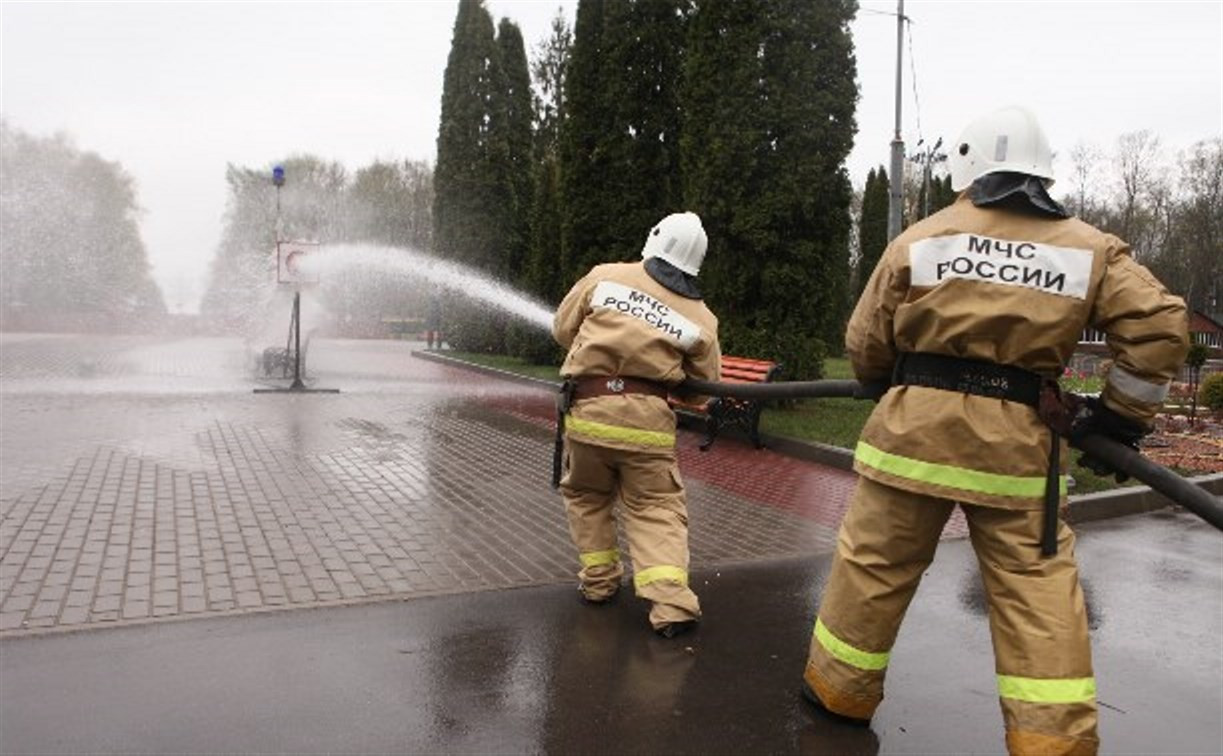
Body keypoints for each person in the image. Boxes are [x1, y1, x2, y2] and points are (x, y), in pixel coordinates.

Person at [800, 106, 1188, 755]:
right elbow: (1161, 329)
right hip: (1015, 452)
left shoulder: (924, 236)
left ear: (966, 166)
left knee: (872, 570)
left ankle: (840, 692)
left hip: (910, 441)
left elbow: (865, 339)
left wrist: (886, 374)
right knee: (1036, 594)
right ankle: (1051, 740)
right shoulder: (1091, 248)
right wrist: (1118, 415)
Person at [552, 211, 722, 638]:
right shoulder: (702, 318)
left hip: (588, 416)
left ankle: (599, 583)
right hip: (648, 426)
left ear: (654, 240)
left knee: (588, 497)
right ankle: (671, 606)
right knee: (656, 508)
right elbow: (703, 391)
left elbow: (562, 329)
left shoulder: (605, 276)